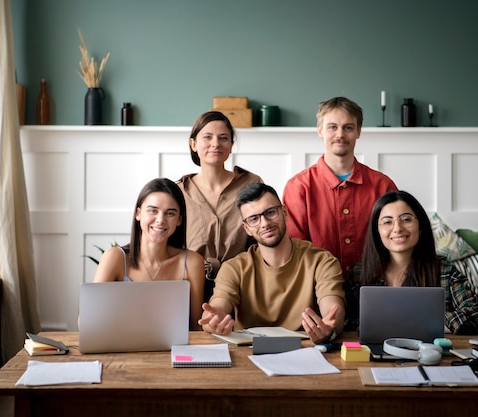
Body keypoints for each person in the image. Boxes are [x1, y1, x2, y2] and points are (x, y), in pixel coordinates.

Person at [198, 183, 346, 344]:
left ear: (284, 212)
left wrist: (328, 327)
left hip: (304, 349)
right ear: (246, 228)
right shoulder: (234, 268)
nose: (264, 223)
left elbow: (332, 309)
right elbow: (218, 305)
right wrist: (213, 320)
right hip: (248, 354)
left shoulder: (321, 260)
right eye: (254, 219)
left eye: (270, 212)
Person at [282, 96, 398, 282]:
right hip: (318, 286)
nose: (340, 134)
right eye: (332, 127)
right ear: (320, 130)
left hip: (375, 283)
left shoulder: (382, 185)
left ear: (358, 132)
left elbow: (395, 240)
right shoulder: (299, 187)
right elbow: (295, 249)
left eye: (348, 127)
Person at [351, 190, 478, 335]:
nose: (398, 228)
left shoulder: (444, 270)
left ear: (421, 226)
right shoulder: (360, 272)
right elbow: (346, 320)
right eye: (387, 222)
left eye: (406, 219)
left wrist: (422, 320)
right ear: (377, 231)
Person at [93, 178, 205, 330]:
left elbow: (196, 327)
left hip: (174, 349)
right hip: (121, 348)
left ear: (179, 220)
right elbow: (88, 322)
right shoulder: (115, 257)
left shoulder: (192, 262)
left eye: (170, 213)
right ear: (138, 214)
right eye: (153, 210)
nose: (160, 220)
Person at [178, 111, 264, 302]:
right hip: (190, 286)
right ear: (193, 144)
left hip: (242, 285)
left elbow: (262, 236)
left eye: (223, 138)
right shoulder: (179, 191)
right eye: (207, 137)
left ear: (231, 145)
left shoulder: (252, 184)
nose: (215, 143)